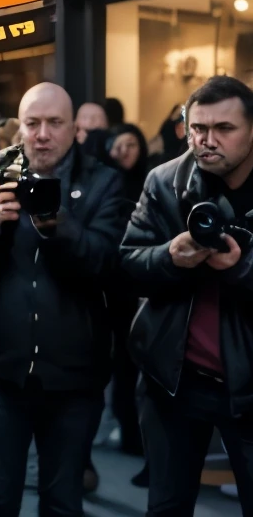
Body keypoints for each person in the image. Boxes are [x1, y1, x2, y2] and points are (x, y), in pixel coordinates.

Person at [0, 82, 127, 517]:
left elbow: (106, 264)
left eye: (54, 123)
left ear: (74, 130)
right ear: (20, 129)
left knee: (63, 501)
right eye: (33, 123)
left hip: (74, 377)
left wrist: (58, 226)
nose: (43, 134)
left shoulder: (104, 182)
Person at [119, 76, 253, 516]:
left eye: (223, 129)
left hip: (250, 384)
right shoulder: (164, 181)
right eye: (197, 128)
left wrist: (240, 269)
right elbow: (128, 267)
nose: (206, 141)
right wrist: (169, 257)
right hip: (173, 381)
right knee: (167, 507)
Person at [101, 124, 150, 466]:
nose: (126, 151)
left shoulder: (154, 181)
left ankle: (137, 434)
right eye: (119, 145)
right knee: (118, 362)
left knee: (138, 363)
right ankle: (122, 426)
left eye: (132, 144)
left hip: (144, 288)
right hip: (113, 288)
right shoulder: (104, 184)